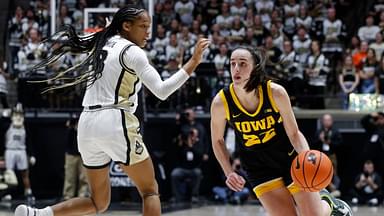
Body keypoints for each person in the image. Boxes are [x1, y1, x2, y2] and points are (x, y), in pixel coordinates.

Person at [15, 5, 209, 216]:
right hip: (114, 119)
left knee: (99, 202)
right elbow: (162, 91)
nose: (148, 32)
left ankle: (38, 214)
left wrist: (111, 27)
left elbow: (105, 36)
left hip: (87, 124)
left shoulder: (101, 42)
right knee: (150, 191)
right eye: (143, 26)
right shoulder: (132, 51)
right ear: (126, 26)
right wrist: (193, 62)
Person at [210, 46, 352, 216]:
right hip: (257, 165)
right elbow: (218, 140)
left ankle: (331, 205)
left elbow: (294, 133)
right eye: (232, 64)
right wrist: (229, 172)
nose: (236, 69)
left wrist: (307, 159)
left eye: (242, 64)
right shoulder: (221, 102)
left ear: (255, 68)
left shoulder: (275, 92)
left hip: (288, 158)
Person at [4, 103, 35, 204]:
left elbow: (29, 142)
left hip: (21, 151)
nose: (18, 117)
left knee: (24, 173)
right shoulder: (6, 126)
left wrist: (31, 155)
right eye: (16, 114)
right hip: (10, 151)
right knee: (9, 174)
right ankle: (7, 193)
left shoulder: (26, 127)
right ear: (12, 116)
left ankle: (29, 192)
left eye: (20, 114)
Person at [314, 114, 342, 197]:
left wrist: (330, 142)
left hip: (331, 155)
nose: (327, 122)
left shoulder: (335, 131)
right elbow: (313, 144)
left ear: (332, 121)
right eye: (325, 120)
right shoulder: (319, 131)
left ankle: (334, 189)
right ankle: (321, 190)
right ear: (322, 121)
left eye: (328, 120)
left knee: (333, 172)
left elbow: (340, 144)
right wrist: (320, 139)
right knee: (320, 172)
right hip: (320, 156)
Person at [62, 114, 88, 200]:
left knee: (84, 177)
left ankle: (83, 195)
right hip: (71, 155)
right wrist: (71, 127)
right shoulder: (70, 130)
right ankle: (68, 196)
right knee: (70, 177)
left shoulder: (85, 129)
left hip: (83, 155)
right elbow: (66, 141)